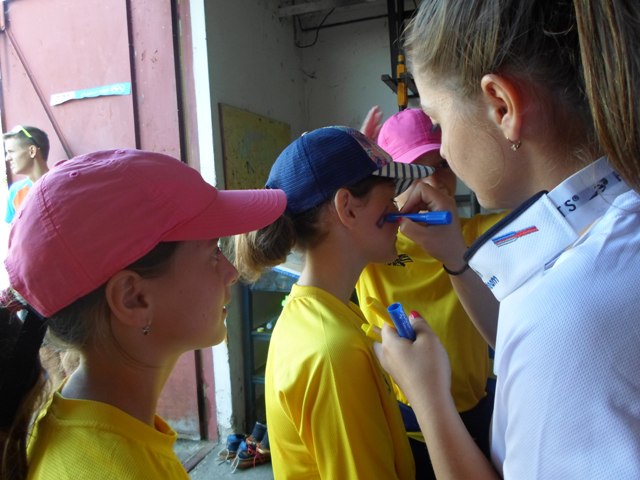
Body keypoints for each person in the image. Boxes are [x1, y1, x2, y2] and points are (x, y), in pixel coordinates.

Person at [374, 1, 640, 479]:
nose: (444, 151)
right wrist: (454, 256)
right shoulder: (613, 220)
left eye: (439, 123)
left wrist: (428, 398)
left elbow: (549, 339)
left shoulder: (564, 312)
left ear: (502, 105)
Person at [0, 148, 286, 480]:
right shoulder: (113, 471)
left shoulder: (94, 423)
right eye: (213, 253)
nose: (231, 272)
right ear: (133, 298)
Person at [234, 126, 434, 479]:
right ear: (348, 208)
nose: (399, 214)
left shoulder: (321, 311)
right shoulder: (332, 351)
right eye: (389, 200)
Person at [356, 107, 505, 478]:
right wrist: (351, 167)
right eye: (416, 170)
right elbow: (307, 226)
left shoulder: (474, 233)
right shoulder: (371, 246)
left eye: (442, 165)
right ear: (390, 183)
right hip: (406, 419)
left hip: (480, 406)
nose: (434, 181)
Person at [3, 125, 50, 223]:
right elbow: (12, 229)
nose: (7, 158)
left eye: (11, 152)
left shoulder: (60, 184)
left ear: (32, 151)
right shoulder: (15, 192)